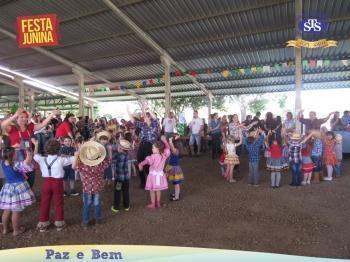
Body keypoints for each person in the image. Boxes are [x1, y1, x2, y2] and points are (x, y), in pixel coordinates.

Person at [1, 108, 59, 188]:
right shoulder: (12, 128)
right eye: (21, 117)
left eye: (25, 117)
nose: (24, 119)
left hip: (30, 154)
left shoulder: (30, 127)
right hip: (16, 157)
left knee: (31, 178)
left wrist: (52, 114)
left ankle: (28, 194)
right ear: (17, 119)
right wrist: (15, 115)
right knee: (20, 178)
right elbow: (2, 125)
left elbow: (42, 124)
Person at [34, 139, 74, 232]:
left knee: (44, 202)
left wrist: (36, 145)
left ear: (46, 149)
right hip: (57, 183)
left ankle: (43, 223)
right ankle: (59, 223)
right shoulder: (61, 160)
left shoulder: (41, 159)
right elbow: (73, 158)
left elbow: (35, 155)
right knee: (59, 203)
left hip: (46, 182)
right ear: (58, 149)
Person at [73, 141, 111, 228]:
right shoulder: (101, 164)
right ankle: (98, 220)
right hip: (98, 187)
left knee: (87, 204)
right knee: (97, 204)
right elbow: (109, 161)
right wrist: (109, 151)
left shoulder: (83, 165)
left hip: (87, 188)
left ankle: (85, 222)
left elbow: (74, 167)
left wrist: (77, 155)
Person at [0, 148, 35, 236]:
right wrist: (29, 155)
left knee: (7, 209)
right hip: (18, 188)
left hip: (8, 187)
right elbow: (26, 164)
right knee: (16, 209)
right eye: (15, 153)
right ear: (12, 155)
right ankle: (16, 230)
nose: (16, 155)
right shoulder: (15, 164)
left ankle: (5, 229)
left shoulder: (3, 163)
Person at [128, 106, 159, 189]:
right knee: (139, 163)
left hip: (150, 146)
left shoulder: (154, 124)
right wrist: (128, 111)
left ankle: (151, 182)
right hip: (142, 145)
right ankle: (143, 182)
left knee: (148, 164)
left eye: (145, 116)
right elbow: (133, 121)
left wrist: (148, 109)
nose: (143, 118)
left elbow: (155, 118)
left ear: (149, 117)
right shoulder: (143, 125)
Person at [139, 136, 170, 209]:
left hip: (153, 176)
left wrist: (140, 164)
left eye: (153, 147)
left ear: (158, 149)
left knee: (152, 190)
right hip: (160, 175)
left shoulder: (153, 156)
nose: (151, 149)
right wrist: (165, 141)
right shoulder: (164, 155)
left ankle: (153, 204)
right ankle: (158, 203)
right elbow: (168, 149)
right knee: (158, 190)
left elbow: (147, 161)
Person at [111, 139, 132, 213]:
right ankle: (127, 206)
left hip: (119, 179)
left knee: (117, 191)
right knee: (126, 192)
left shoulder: (117, 155)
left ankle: (116, 207)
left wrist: (116, 151)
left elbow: (112, 159)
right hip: (126, 178)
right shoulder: (127, 153)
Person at [165, 135, 184, 201]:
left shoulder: (175, 151)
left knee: (176, 184)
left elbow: (172, 147)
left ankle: (176, 197)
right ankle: (176, 194)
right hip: (172, 168)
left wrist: (170, 141)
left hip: (174, 169)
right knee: (175, 183)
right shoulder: (177, 151)